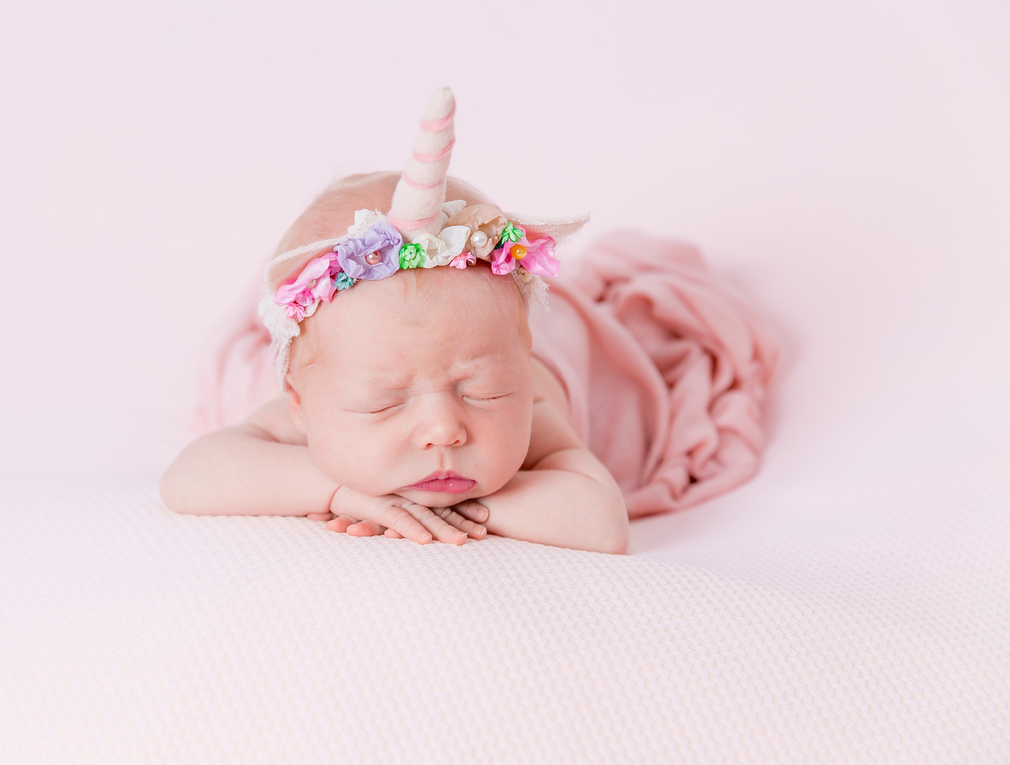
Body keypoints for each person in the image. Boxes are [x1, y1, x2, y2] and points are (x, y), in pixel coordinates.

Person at [161, 88, 779, 554]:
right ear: (298, 404)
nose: (444, 429)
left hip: (555, 341)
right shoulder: (318, 396)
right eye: (383, 404)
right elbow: (188, 479)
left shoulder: (529, 405)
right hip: (437, 345)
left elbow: (601, 523)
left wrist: (474, 503)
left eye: (481, 392)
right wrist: (336, 488)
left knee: (497, 338)